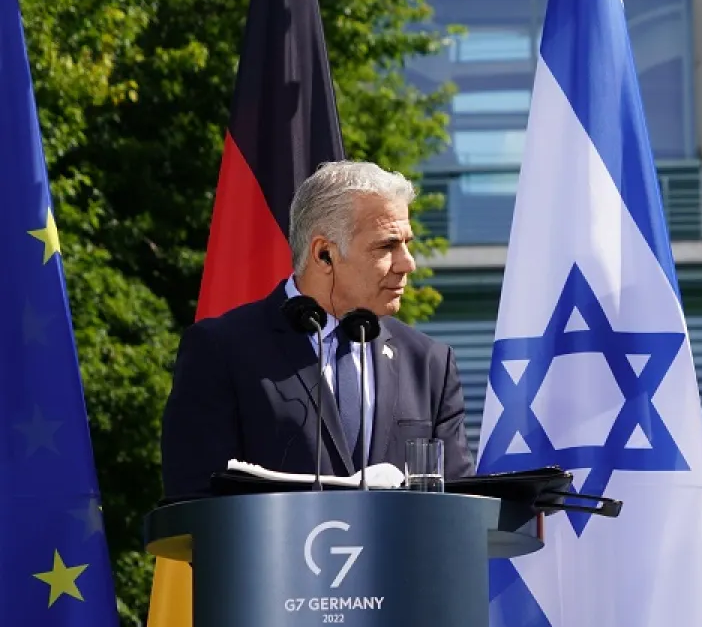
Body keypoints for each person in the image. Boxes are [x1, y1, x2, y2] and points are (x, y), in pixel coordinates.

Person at [161, 160, 474, 499]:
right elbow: (193, 500)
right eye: (387, 246)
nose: (407, 263)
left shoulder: (429, 363)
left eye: (407, 244)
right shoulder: (221, 350)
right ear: (324, 254)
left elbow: (461, 505)